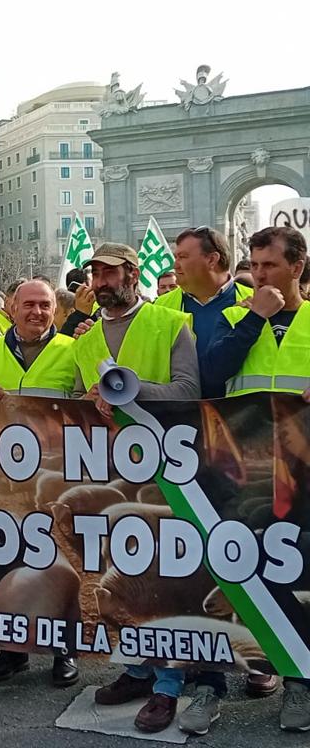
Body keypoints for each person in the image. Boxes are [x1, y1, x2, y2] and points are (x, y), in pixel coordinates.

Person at [187, 225, 310, 735]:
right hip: (244, 474)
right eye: (254, 266)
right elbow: (212, 375)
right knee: (225, 573)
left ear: (298, 267)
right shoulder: (237, 317)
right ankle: (208, 684)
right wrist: (255, 319)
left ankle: (297, 680)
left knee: (293, 580)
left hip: (303, 479)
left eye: (270, 267)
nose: (258, 276)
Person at [81, 244, 200, 734]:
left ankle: (168, 686)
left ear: (133, 274)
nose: (100, 282)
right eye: (95, 274)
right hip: (109, 473)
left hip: (165, 473)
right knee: (120, 575)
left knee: (162, 580)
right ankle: (136, 669)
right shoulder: (84, 340)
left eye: (109, 273)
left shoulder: (171, 324)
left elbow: (188, 391)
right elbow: (73, 400)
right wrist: (87, 398)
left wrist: (128, 388)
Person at [0, 279, 79, 687]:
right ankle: (13, 650)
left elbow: (85, 406)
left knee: (63, 565)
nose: (37, 312)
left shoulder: (74, 350)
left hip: (58, 477)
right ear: (11, 306)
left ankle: (64, 650)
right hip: (4, 480)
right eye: (29, 304)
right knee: (7, 561)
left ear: (54, 310)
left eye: (45, 305)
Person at [154, 226, 252, 398]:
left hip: (239, 415)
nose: (175, 265)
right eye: (175, 257)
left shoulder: (255, 302)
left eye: (182, 257)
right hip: (175, 417)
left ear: (212, 259)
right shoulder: (160, 307)